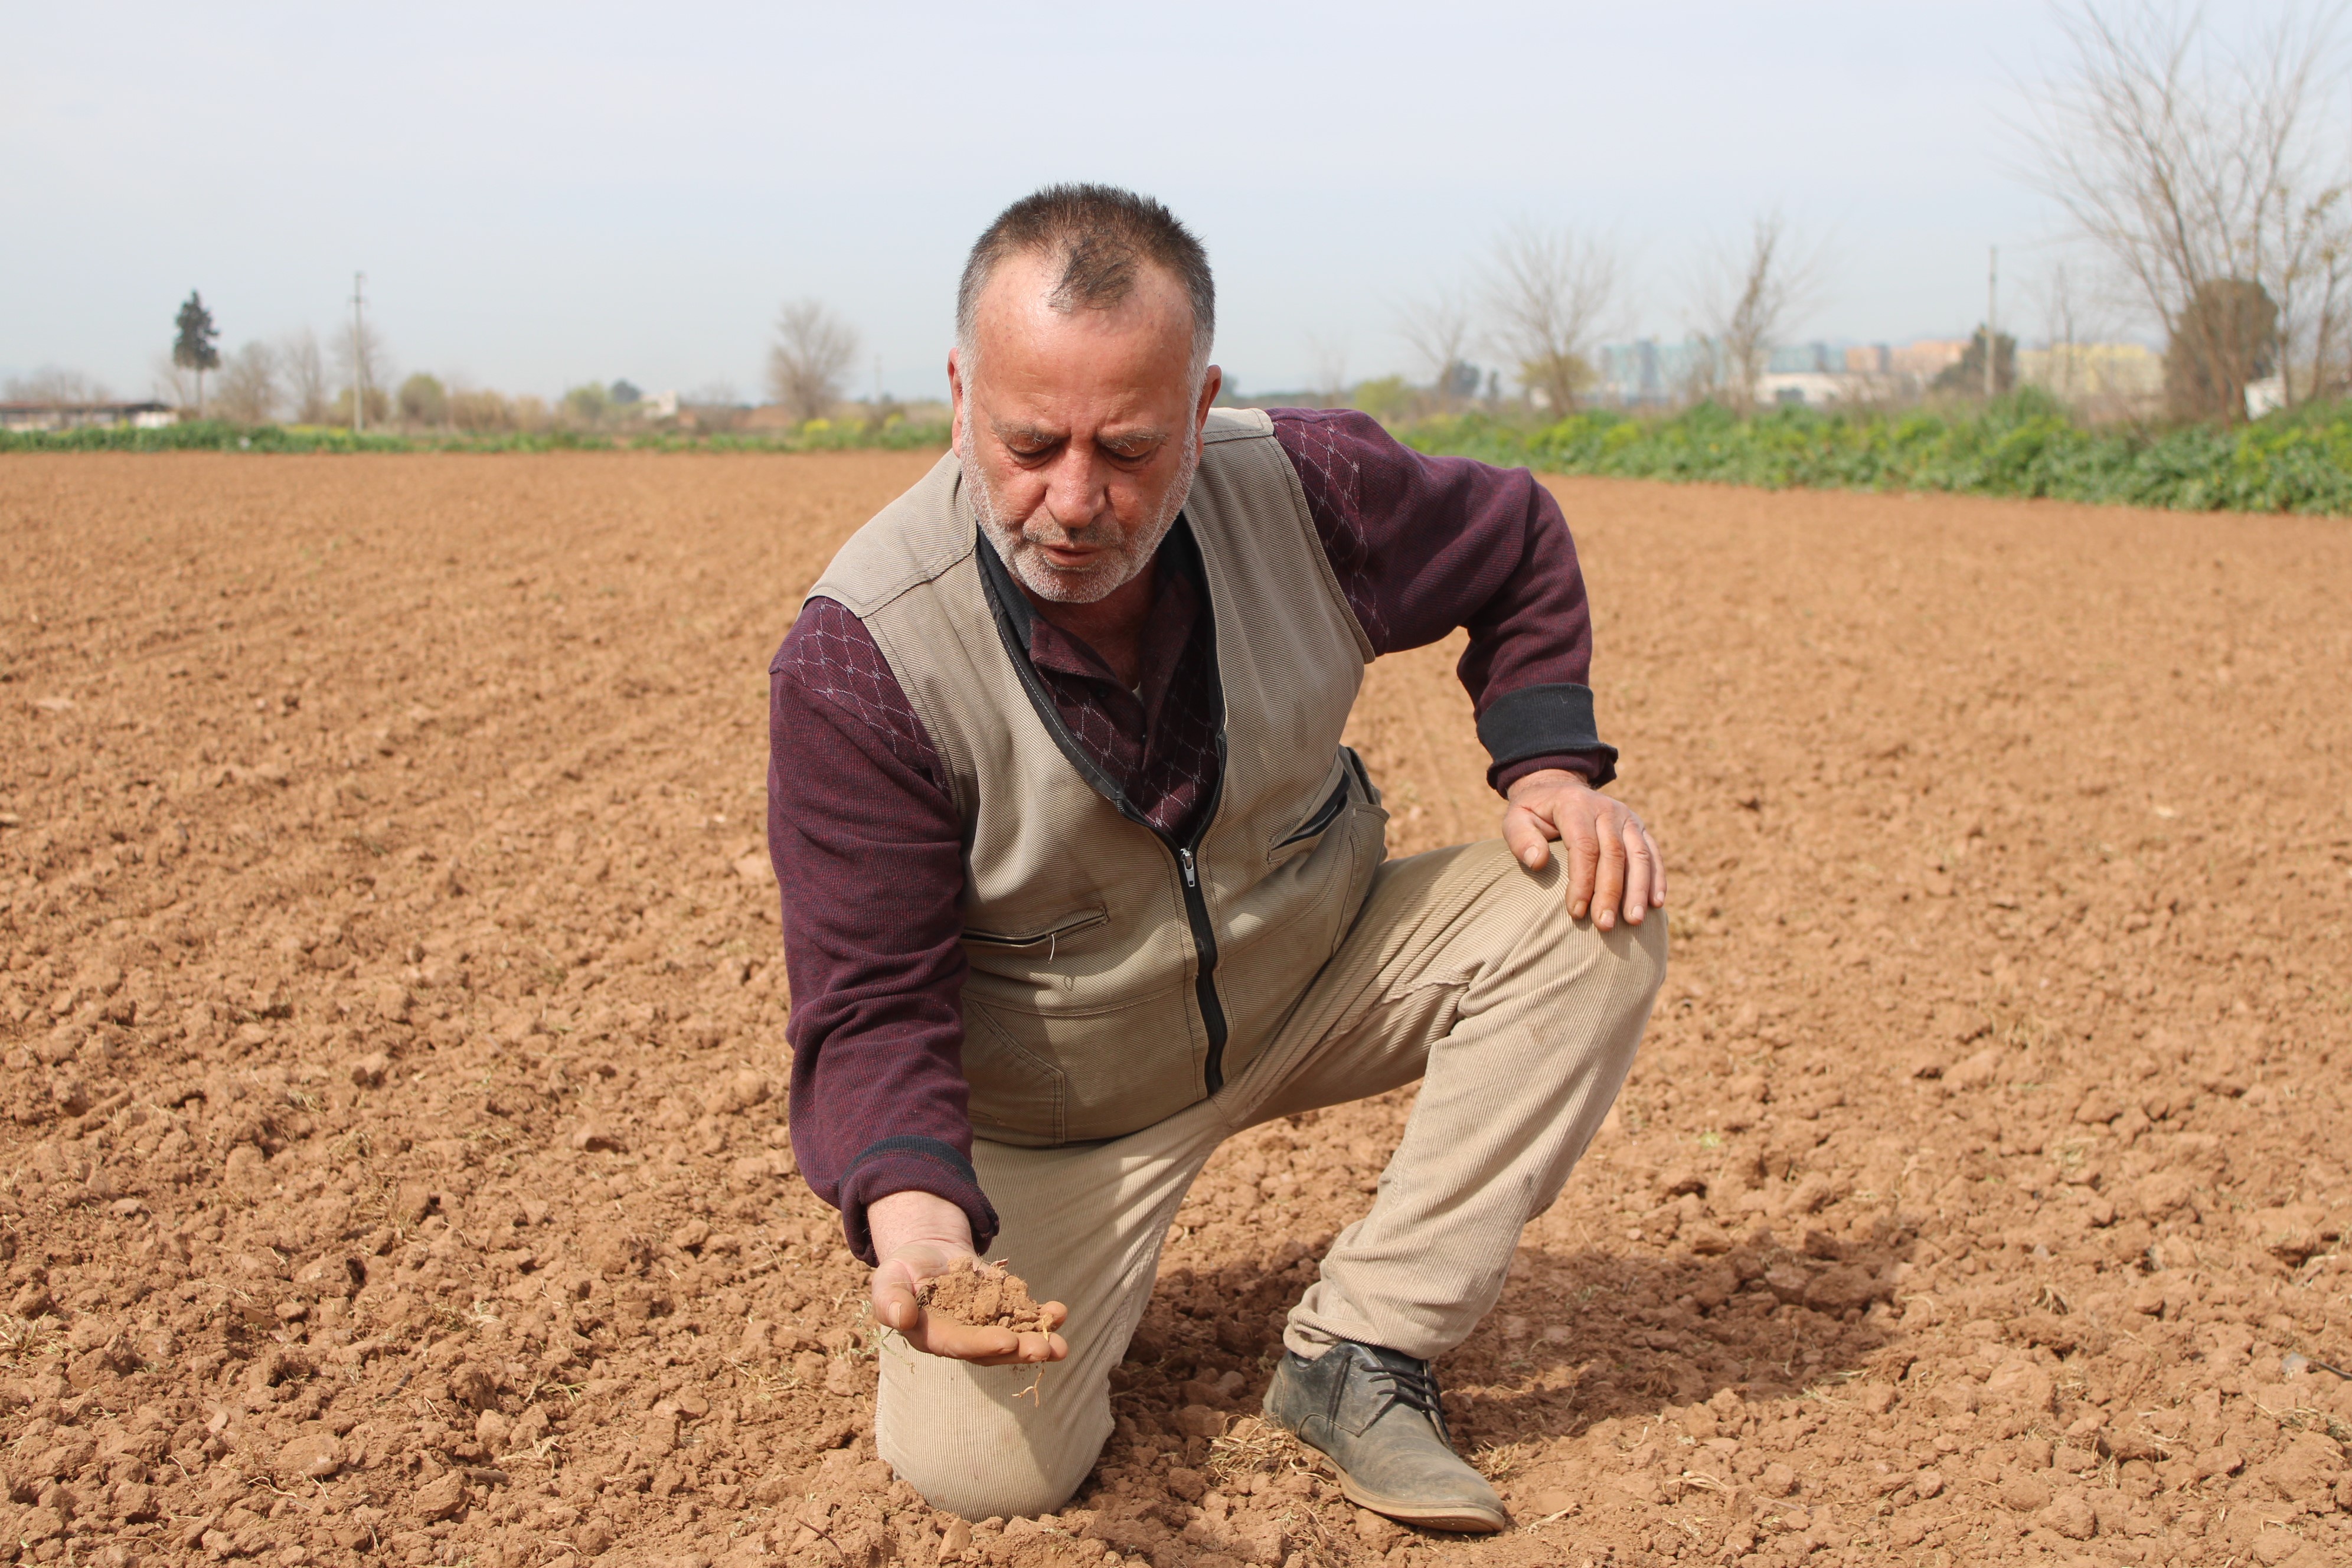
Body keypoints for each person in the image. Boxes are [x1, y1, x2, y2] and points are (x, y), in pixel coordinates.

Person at [767, 184, 1667, 1533]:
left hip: (1316, 968)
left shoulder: (1306, 489)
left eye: (1128, 448)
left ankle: (1363, 1350)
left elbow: (1517, 539)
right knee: (987, 1469)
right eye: (1028, 442)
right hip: (1067, 1102)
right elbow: (871, 1002)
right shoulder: (866, 659)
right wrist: (923, 1228)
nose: (1074, 499)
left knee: (1593, 909)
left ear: (1201, 410)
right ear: (960, 394)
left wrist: (1549, 764)